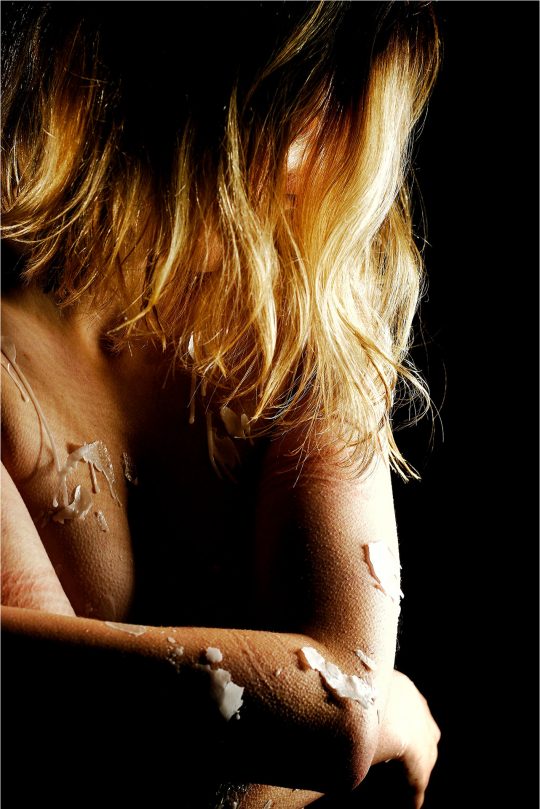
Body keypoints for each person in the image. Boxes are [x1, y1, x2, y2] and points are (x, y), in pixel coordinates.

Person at [1, 2, 441, 807]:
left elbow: (340, 705)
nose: (332, 150)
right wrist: (372, 712)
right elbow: (58, 749)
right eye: (320, 94)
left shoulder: (305, 330)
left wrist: (346, 715)